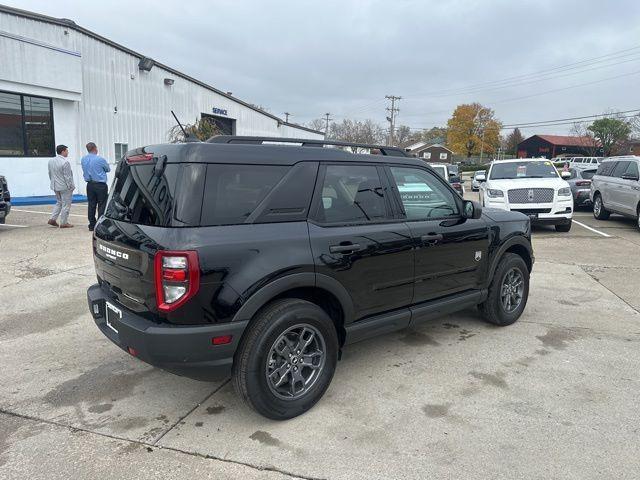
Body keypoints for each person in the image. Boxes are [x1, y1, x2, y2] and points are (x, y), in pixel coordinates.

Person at [81, 142, 111, 231]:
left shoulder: (83, 159)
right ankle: (100, 225)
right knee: (102, 204)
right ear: (95, 148)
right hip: (100, 184)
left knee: (91, 204)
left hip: (89, 184)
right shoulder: (100, 159)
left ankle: (91, 224)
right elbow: (108, 169)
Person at [48, 145, 75, 228]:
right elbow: (68, 177)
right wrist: (71, 186)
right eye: (66, 151)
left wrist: (52, 182)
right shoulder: (65, 162)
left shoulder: (51, 161)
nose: (67, 152)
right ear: (63, 151)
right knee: (66, 204)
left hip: (55, 185)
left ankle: (52, 219)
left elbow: (50, 173)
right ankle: (63, 222)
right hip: (64, 186)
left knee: (59, 202)